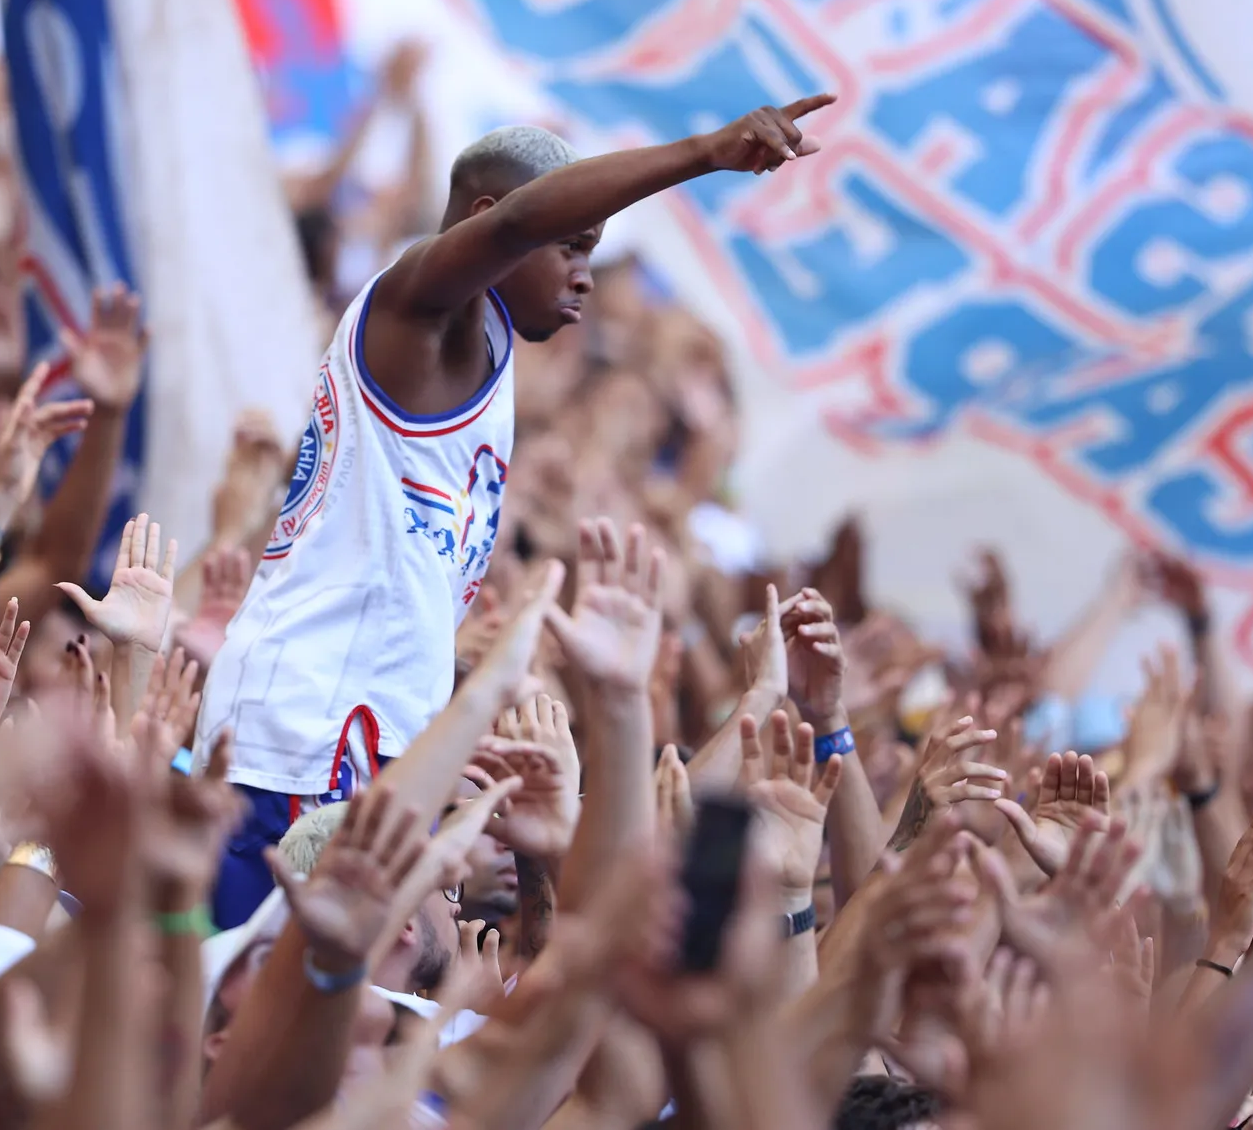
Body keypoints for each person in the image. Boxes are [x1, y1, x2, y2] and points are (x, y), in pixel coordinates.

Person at [193, 94, 835, 925]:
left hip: (364, 734)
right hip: (302, 735)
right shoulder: (415, 311)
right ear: (494, 220)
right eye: (572, 244)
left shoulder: (476, 351)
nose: (585, 274)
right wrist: (704, 153)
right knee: (262, 1016)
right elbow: (515, 226)